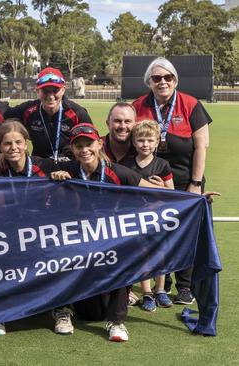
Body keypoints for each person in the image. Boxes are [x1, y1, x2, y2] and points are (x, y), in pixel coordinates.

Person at [50, 123, 161, 342]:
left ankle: (117, 321)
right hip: (76, 242)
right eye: (78, 145)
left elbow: (157, 192)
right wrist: (53, 178)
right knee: (90, 312)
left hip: (109, 243)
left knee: (124, 256)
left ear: (99, 143)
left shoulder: (117, 172)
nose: (84, 150)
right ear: (72, 150)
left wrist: (197, 198)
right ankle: (62, 311)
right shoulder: (68, 172)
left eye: (89, 144)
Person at [132, 57, 212, 305]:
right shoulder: (138, 105)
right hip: (147, 187)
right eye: (157, 78)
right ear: (149, 82)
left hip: (184, 183)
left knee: (185, 235)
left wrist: (195, 184)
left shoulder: (189, 104)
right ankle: (159, 284)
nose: (163, 82)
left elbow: (202, 146)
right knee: (153, 236)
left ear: (175, 80)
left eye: (168, 77)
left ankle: (185, 285)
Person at [121, 120, 174, 312]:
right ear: (133, 142)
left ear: (158, 141)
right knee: (142, 255)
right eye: (141, 140)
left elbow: (172, 192)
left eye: (150, 140)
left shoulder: (162, 165)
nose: (145, 144)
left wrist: (160, 187)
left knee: (161, 254)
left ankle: (160, 289)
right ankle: (147, 293)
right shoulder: (126, 164)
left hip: (158, 218)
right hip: (136, 218)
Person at [4, 67, 92, 161]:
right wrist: (0, 152)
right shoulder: (28, 110)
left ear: (63, 90)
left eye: (55, 90)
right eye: (45, 91)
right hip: (38, 167)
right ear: (38, 91)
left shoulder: (77, 113)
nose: (50, 96)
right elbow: (2, 117)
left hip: (69, 167)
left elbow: (92, 142)